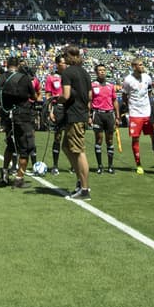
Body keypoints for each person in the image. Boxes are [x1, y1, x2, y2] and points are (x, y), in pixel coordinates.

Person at [0, 56, 38, 188]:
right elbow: (34, 96)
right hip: (23, 116)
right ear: (18, 65)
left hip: (7, 116)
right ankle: (19, 178)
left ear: (7, 64)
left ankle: (4, 174)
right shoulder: (24, 78)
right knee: (25, 147)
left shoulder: (1, 78)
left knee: (10, 145)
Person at [58, 46, 92, 198]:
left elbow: (65, 95)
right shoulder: (85, 72)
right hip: (82, 113)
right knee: (66, 146)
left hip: (74, 115)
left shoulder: (68, 72)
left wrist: (55, 100)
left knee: (79, 151)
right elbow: (90, 95)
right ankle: (80, 179)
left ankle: (84, 188)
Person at [121, 58, 154, 174]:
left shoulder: (147, 77)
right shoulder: (127, 80)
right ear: (133, 67)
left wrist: (148, 104)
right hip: (135, 113)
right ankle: (138, 164)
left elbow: (149, 91)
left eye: (142, 65)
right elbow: (124, 95)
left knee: (153, 136)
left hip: (147, 112)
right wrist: (128, 106)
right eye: (139, 65)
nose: (142, 67)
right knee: (135, 138)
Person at [89, 63, 120, 175]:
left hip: (109, 114)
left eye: (103, 70)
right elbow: (89, 101)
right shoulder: (92, 85)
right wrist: (89, 116)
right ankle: (99, 166)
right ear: (96, 72)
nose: (102, 72)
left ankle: (110, 166)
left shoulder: (110, 86)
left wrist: (117, 116)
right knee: (98, 139)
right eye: (100, 70)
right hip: (97, 114)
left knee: (110, 140)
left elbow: (115, 101)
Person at [43, 55, 67, 174]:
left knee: (72, 137)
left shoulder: (70, 77)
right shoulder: (51, 78)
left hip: (70, 109)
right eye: (63, 62)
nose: (65, 64)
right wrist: (49, 110)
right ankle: (55, 165)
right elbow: (48, 96)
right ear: (57, 64)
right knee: (57, 137)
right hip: (58, 109)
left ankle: (73, 165)